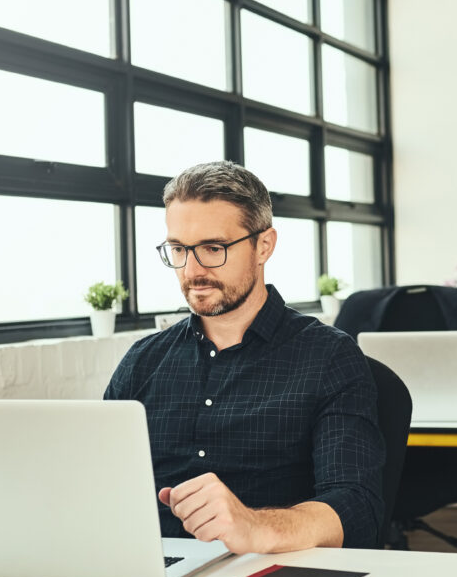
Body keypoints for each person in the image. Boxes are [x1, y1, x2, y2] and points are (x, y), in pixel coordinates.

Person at [104, 161, 384, 555]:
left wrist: (255, 526)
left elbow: (357, 507)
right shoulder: (142, 362)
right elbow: (98, 488)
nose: (193, 269)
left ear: (263, 246)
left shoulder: (328, 357)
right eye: (179, 250)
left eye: (213, 249)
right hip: (149, 575)